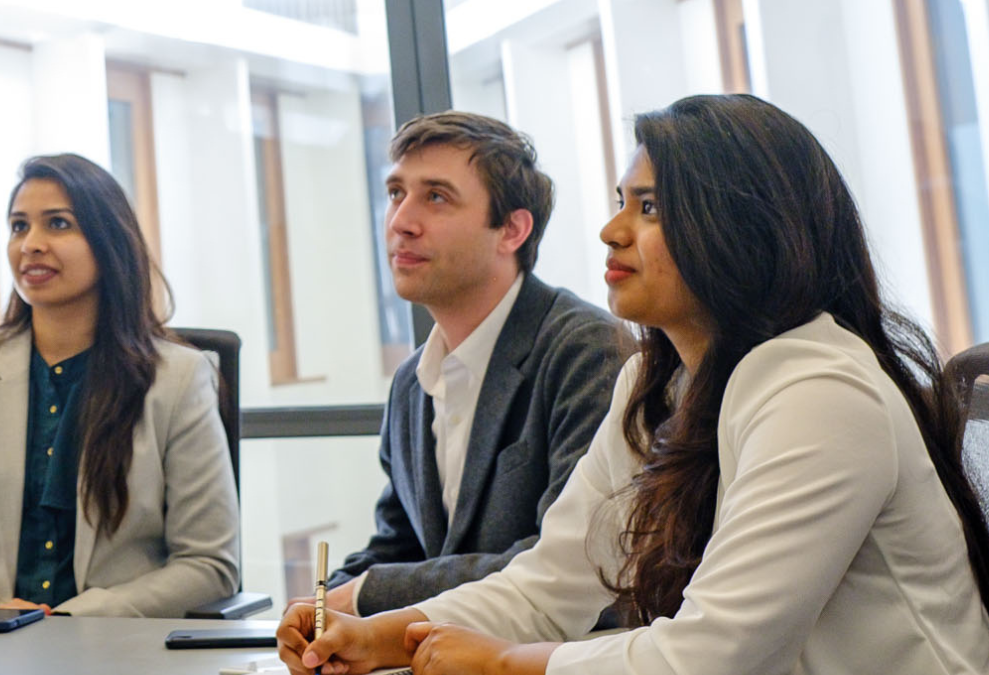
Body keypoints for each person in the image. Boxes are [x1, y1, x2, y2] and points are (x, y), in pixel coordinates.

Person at [277, 94, 989, 674]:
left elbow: (714, 654)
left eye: (648, 208)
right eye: (623, 201)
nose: (611, 231)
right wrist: (384, 634)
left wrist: (505, 663)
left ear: (740, 229)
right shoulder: (658, 385)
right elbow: (552, 581)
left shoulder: (820, 389)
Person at [0, 154, 240, 618]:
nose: (31, 245)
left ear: (108, 240)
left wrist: (70, 623)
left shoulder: (177, 378)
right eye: (19, 227)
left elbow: (209, 564)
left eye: (58, 224)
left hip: (116, 655)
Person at [314, 111, 622, 617]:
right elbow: (400, 547)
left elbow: (569, 563)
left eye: (435, 196)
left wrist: (368, 595)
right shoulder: (411, 383)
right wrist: (321, 605)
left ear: (512, 230)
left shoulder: (587, 350)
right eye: (396, 193)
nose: (400, 222)